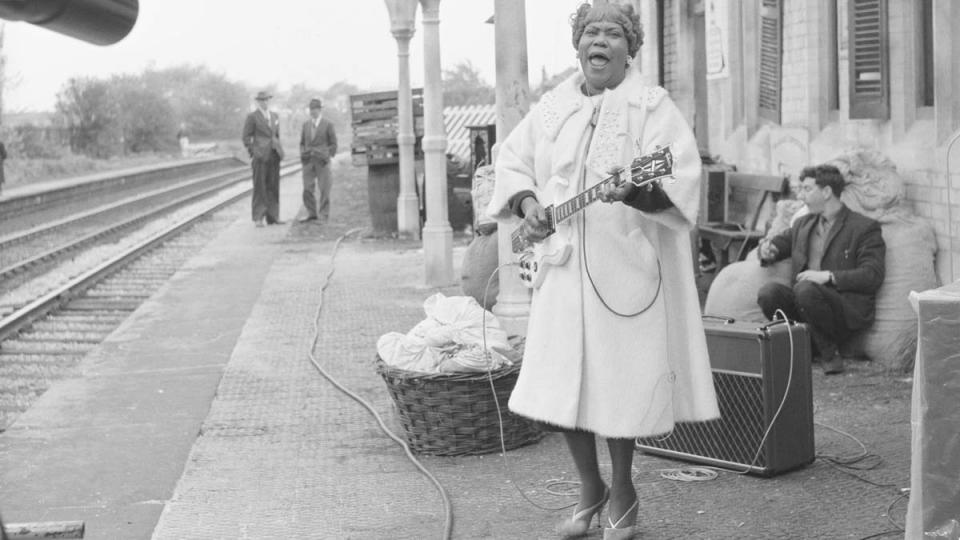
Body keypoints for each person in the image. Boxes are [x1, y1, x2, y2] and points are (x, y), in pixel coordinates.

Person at [485, 4, 719, 539]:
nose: (601, 40)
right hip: (562, 270)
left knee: (620, 387)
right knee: (555, 387)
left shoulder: (652, 106)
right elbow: (511, 159)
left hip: (626, 268)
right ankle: (588, 485)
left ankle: (623, 489)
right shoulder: (552, 107)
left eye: (614, 33)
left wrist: (636, 188)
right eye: (592, 31)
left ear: (629, 49)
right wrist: (526, 204)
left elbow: (682, 174)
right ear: (578, 45)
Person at [756, 164, 885, 374]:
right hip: (804, 304)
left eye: (807, 189)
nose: (801, 195)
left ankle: (829, 354)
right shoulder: (803, 224)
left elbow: (872, 275)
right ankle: (802, 347)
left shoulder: (863, 228)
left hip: (842, 309)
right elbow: (781, 243)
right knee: (769, 293)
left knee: (805, 288)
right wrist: (767, 250)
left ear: (826, 192)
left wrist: (828, 276)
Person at [242, 90, 285, 227]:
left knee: (273, 186)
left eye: (267, 100)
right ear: (258, 102)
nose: (265, 102)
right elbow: (246, 137)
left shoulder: (274, 116)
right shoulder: (252, 117)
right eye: (262, 100)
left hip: (274, 154)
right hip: (260, 156)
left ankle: (273, 217)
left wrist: (278, 148)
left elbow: (276, 135)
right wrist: (254, 151)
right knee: (260, 186)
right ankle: (258, 217)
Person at [298, 98, 338, 223]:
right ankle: (312, 213)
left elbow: (333, 144)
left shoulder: (328, 124)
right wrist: (303, 153)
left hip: (322, 161)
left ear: (320, 110)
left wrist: (327, 156)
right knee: (307, 188)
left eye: (315, 109)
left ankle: (323, 215)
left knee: (324, 189)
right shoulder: (306, 125)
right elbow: (302, 143)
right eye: (311, 109)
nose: (313, 112)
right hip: (308, 161)